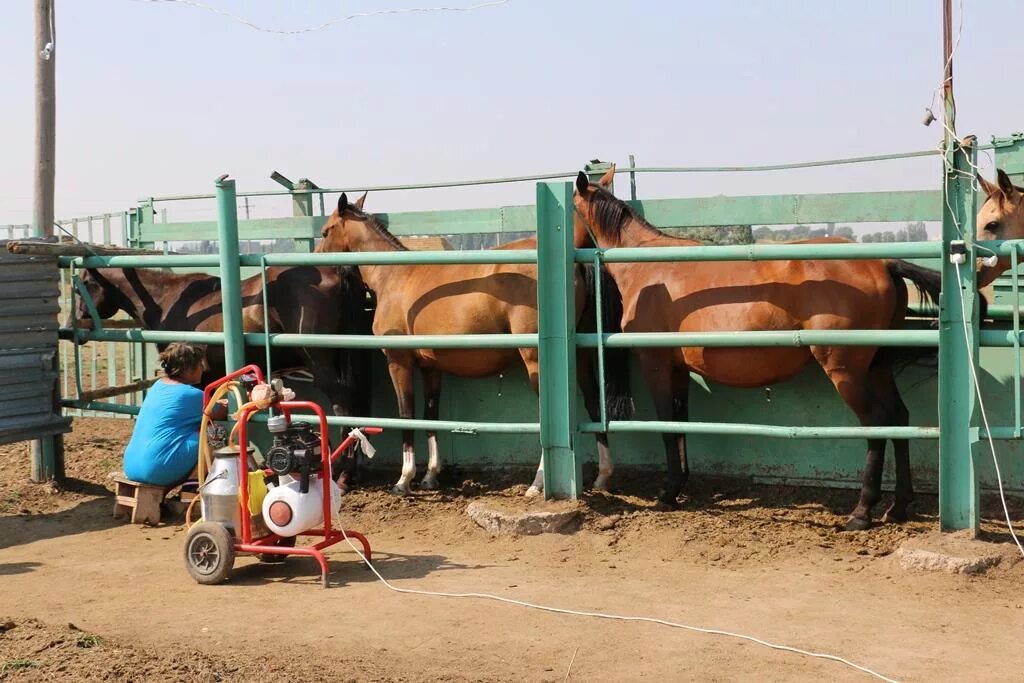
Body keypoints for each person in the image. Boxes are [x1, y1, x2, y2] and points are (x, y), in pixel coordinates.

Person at [123, 342, 227, 489]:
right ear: (189, 369)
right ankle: (191, 488)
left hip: (131, 467)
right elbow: (222, 412)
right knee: (216, 431)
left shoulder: (158, 386)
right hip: (156, 469)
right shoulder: (191, 394)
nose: (203, 370)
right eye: (200, 365)